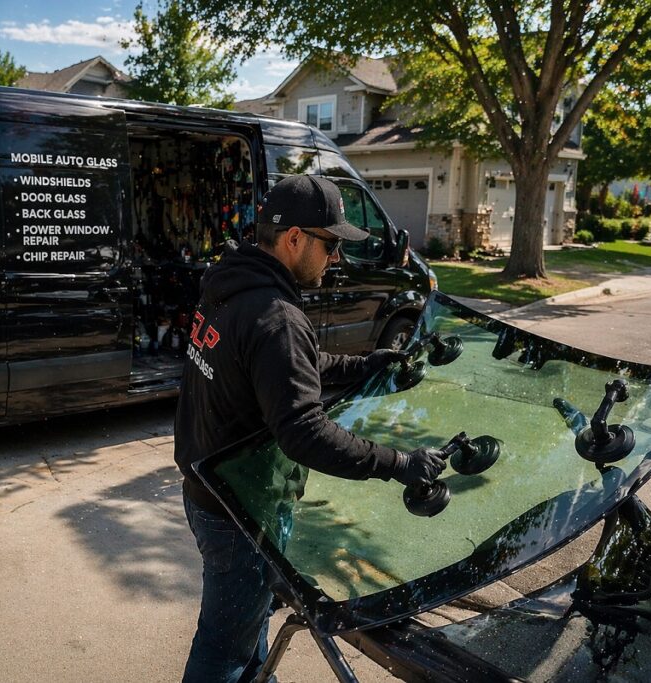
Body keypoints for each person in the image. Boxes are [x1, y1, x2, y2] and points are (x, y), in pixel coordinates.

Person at [174, 175, 447, 683]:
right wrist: (398, 463)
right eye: (330, 244)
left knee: (246, 628)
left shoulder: (232, 284)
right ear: (295, 238)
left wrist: (363, 365)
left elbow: (287, 368)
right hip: (241, 510)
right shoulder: (276, 315)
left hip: (210, 490)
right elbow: (304, 431)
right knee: (222, 651)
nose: (336, 257)